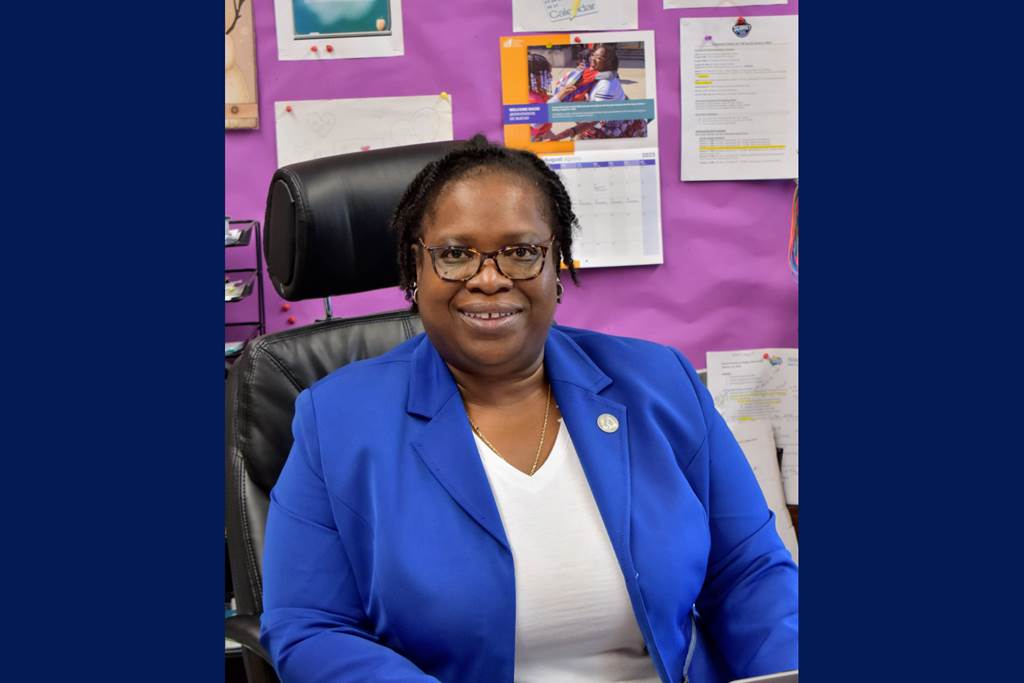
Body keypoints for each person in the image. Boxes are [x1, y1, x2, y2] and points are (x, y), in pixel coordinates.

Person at [259, 136, 798, 683]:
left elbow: (749, 572)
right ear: (413, 268)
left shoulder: (660, 383)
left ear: (555, 264)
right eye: (455, 253)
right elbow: (310, 626)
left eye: (520, 251)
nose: (489, 278)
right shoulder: (339, 420)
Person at [550, 44, 648, 140]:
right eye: (593, 55)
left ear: (608, 63)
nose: (593, 59)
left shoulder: (606, 84)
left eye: (599, 58)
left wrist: (569, 132)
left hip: (617, 128)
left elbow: (594, 119)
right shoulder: (592, 74)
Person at [528, 53, 556, 142]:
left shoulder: (539, 92)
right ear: (534, 77)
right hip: (536, 137)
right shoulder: (533, 99)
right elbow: (537, 124)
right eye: (547, 74)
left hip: (545, 131)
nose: (550, 77)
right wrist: (560, 96)